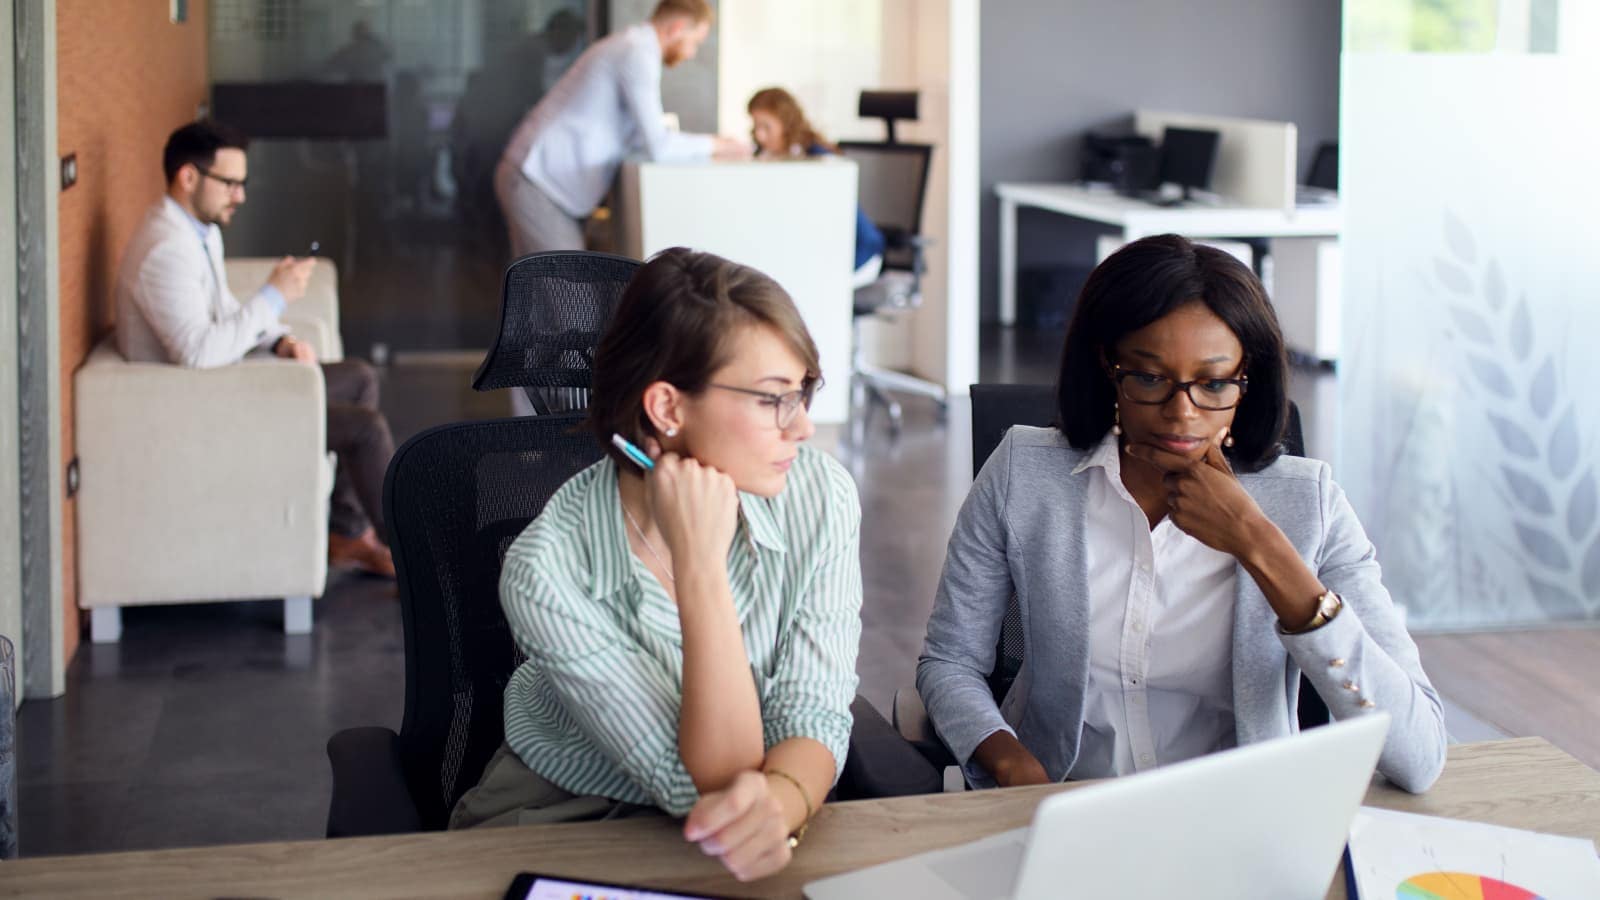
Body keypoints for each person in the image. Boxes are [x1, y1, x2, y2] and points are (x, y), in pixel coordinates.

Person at [917, 234, 1447, 794]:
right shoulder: (1024, 473)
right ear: (1109, 367)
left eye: (1214, 383)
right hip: (1060, 803)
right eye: (1149, 377)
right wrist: (1012, 763)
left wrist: (1258, 544)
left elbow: (1419, 755)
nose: (1180, 413)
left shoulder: (1309, 503)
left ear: (1247, 380)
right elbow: (949, 662)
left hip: (1240, 821)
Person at [450, 248, 861, 884]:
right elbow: (707, 784)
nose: (803, 427)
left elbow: (816, 712)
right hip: (565, 828)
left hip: (757, 825)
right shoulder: (547, 569)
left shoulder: (819, 495)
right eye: (774, 399)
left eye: (805, 390)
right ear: (668, 409)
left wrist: (782, 803)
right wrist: (700, 566)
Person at [114, 120, 397, 578]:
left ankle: (346, 533)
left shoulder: (197, 232)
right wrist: (274, 295)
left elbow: (222, 309)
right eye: (230, 183)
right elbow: (198, 353)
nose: (240, 196)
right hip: (197, 405)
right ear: (188, 178)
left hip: (227, 382)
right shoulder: (164, 250)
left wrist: (279, 339)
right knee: (364, 429)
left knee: (359, 377)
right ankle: (412, 551)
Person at [495, 0, 750, 258]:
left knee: (536, 290)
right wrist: (720, 144)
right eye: (695, 42)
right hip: (536, 180)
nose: (692, 53)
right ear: (677, 28)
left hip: (535, 178)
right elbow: (659, 146)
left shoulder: (632, 45)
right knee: (568, 290)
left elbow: (645, 137)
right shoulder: (637, 52)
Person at [747, 87, 886, 285]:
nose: (759, 136)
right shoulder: (770, 158)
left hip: (858, 255)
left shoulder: (818, 160)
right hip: (819, 255)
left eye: (766, 127)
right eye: (755, 127)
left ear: (785, 123)